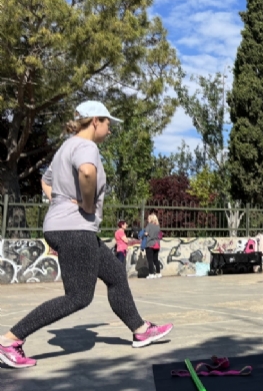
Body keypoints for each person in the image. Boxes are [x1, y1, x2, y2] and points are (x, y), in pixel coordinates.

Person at [0, 101, 173, 369]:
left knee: (115, 275)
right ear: (95, 121)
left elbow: (46, 181)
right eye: (108, 124)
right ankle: (10, 340)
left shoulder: (63, 149)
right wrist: (87, 205)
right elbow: (87, 171)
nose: (110, 129)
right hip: (75, 228)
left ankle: (140, 329)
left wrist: (59, 202)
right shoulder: (86, 146)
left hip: (69, 227)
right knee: (78, 297)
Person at [144, 214, 163, 279]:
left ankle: (151, 273)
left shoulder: (149, 225)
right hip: (157, 244)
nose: (147, 219)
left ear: (151, 219)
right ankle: (158, 273)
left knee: (150, 260)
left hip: (150, 244)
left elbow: (146, 233)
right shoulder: (158, 226)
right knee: (156, 259)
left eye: (148, 218)